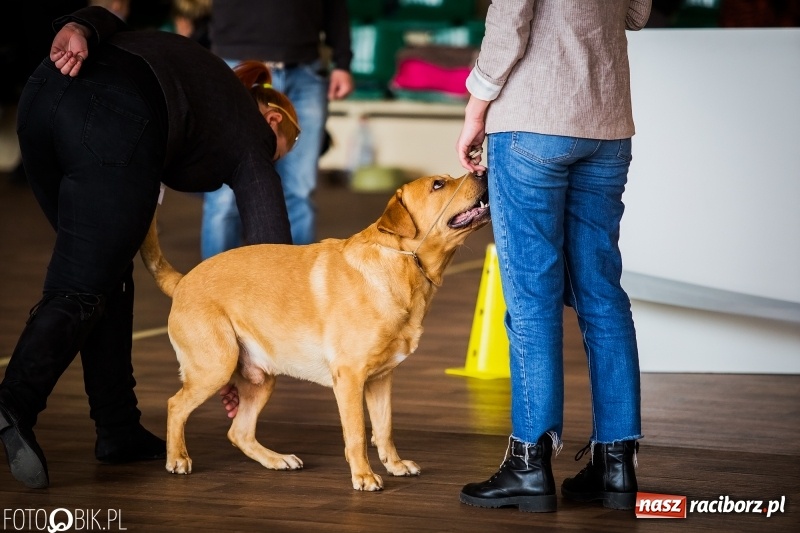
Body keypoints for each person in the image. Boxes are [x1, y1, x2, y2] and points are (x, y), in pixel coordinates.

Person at [0, 5, 299, 489]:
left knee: (105, 273)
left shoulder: (204, 82)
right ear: (271, 119)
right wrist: (248, 351)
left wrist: (80, 25)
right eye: (286, 144)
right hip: (116, 116)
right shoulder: (251, 132)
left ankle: (117, 429)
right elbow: (272, 256)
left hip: (43, 97)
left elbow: (120, 23)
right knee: (83, 283)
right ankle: (15, 401)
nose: (276, 157)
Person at [454, 0, 652, 513]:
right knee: (603, 295)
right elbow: (636, 13)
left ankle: (528, 464)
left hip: (534, 119)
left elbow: (509, 18)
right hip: (607, 125)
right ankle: (616, 464)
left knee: (532, 297)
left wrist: (477, 103)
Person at [201, 0, 354, 256]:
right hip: (235, 62)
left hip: (304, 69)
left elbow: (335, 6)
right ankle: (213, 291)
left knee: (300, 191)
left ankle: (292, 290)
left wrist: (343, 62)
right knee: (223, 197)